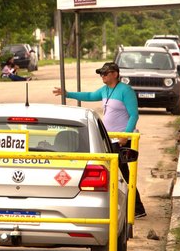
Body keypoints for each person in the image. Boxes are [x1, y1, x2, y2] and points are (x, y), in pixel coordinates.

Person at [52, 62, 147, 218]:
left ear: (115, 74)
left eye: (105, 73)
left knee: (123, 175)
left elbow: (134, 115)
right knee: (113, 175)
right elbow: (89, 96)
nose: (102, 76)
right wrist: (68, 94)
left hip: (121, 140)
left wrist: (126, 134)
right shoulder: (105, 90)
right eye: (101, 74)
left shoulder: (125, 90)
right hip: (110, 139)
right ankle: (121, 205)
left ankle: (137, 208)